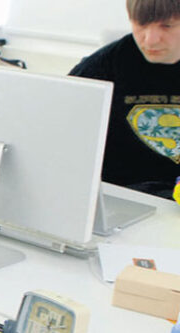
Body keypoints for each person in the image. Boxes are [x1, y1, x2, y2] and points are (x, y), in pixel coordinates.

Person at [69, 0, 180, 199]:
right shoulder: (102, 67)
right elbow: (58, 130)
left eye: (167, 26)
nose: (150, 40)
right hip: (123, 195)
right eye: (141, 24)